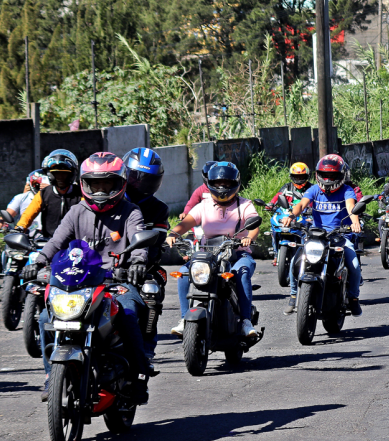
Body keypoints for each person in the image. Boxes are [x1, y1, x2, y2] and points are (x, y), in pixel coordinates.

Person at [22, 152, 152, 404]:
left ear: (119, 183)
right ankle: (52, 375)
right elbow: (55, 242)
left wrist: (137, 262)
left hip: (116, 282)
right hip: (79, 283)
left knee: (127, 312)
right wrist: (38, 262)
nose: (101, 189)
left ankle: (138, 375)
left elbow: (139, 243)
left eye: (107, 183)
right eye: (95, 183)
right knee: (47, 317)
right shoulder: (75, 212)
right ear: (85, 184)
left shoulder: (131, 212)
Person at [167, 162, 260, 339]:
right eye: (217, 183)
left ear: (235, 183)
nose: (222, 187)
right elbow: (186, 222)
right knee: (184, 273)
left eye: (226, 183)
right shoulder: (204, 205)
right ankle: (184, 319)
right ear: (210, 184)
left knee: (242, 272)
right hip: (208, 254)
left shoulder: (244, 204)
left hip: (237, 253)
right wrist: (173, 234)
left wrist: (249, 238)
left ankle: (246, 321)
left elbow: (254, 225)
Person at [280, 154, 363, 317]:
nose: (328, 179)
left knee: (354, 265)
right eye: (324, 175)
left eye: (332, 175)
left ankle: (353, 299)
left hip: (339, 236)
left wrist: (355, 222)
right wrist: (291, 216)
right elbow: (301, 205)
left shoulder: (347, 190)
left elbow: (350, 208)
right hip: (316, 236)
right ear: (318, 175)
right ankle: (293, 295)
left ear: (340, 175)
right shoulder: (314, 190)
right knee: (295, 263)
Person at [122, 148, 170, 363]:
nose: (139, 184)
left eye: (146, 180)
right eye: (135, 178)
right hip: (110, 263)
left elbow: (155, 243)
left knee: (151, 292)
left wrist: (140, 263)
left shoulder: (158, 208)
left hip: (146, 266)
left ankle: (147, 349)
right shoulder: (113, 202)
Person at [17, 150, 82, 237]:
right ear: (49, 175)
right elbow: (27, 215)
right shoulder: (43, 194)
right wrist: (19, 228)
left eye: (64, 174)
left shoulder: (81, 194)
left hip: (75, 244)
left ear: (72, 174)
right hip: (48, 243)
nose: (60, 177)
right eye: (56, 174)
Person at [266, 162, 313, 265]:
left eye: (302, 176)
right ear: (291, 176)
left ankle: (309, 252)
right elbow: (277, 197)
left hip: (305, 214)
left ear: (307, 176)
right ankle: (275, 253)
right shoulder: (286, 187)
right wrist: (270, 204)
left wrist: (313, 209)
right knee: (273, 225)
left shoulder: (312, 188)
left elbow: (316, 202)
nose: (299, 179)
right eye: (296, 176)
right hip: (287, 213)